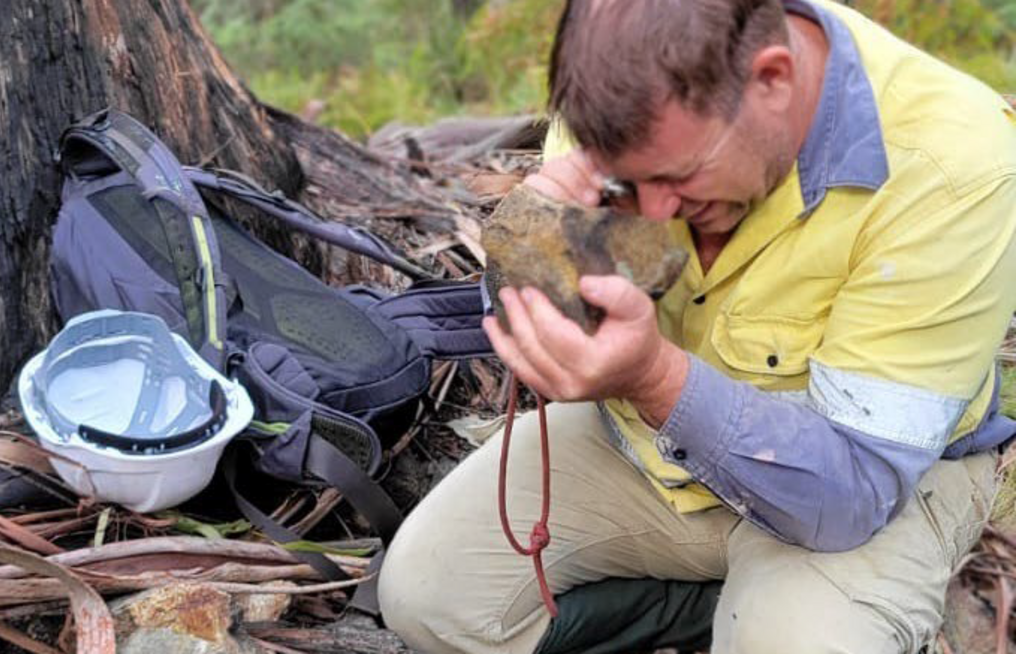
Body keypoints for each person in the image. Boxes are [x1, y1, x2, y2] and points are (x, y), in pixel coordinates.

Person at [378, 0, 1016, 652]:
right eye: (631, 182)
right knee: (427, 596)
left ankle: (780, 610)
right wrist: (534, 253)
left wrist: (654, 378)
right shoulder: (616, 90)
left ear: (771, 78)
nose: (655, 208)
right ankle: (715, 609)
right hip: (644, 445)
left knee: (796, 644)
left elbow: (853, 491)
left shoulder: (950, 165)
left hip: (865, 487)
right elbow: (531, 307)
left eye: (680, 177)